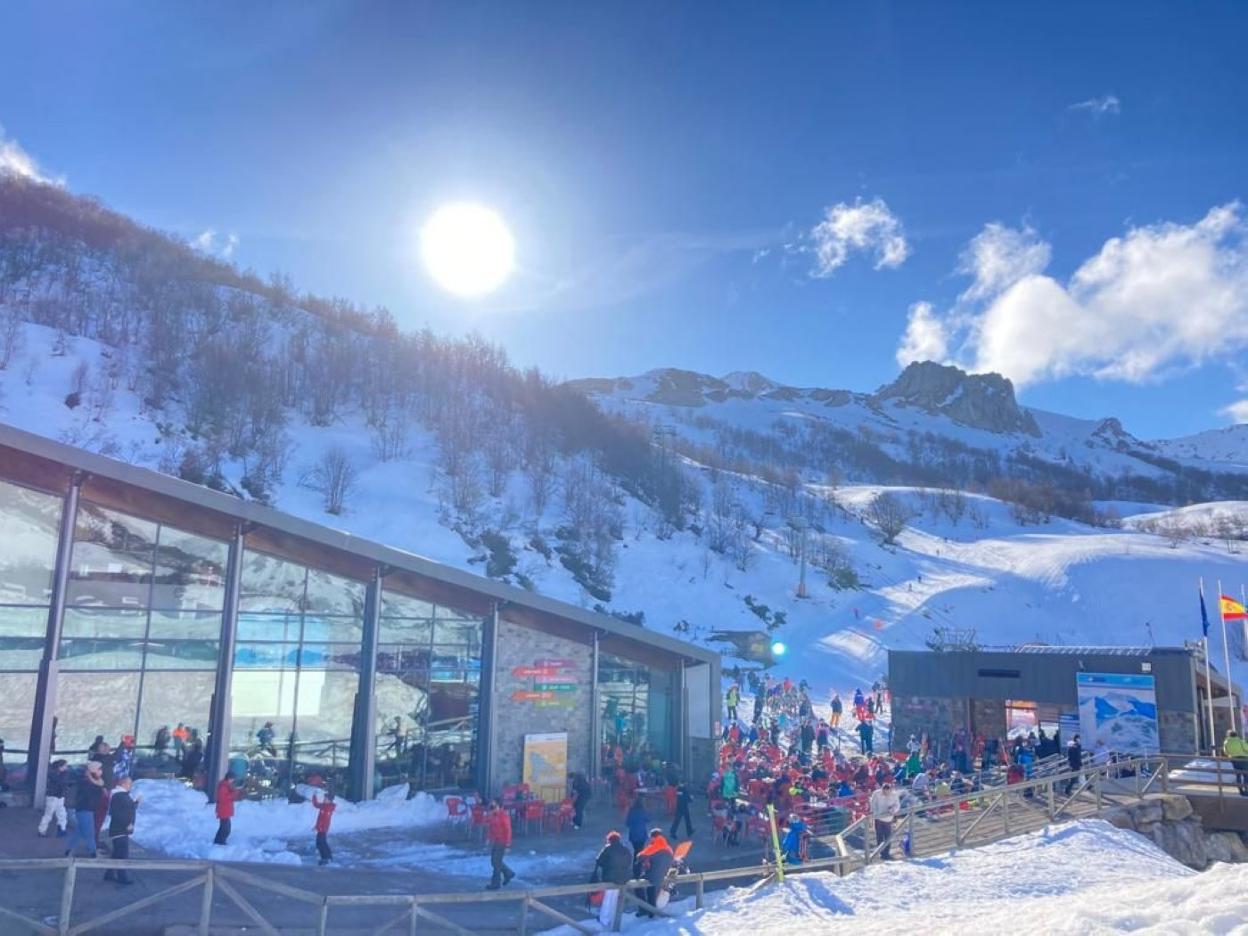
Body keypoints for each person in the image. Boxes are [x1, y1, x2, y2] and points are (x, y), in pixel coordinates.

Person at [589, 830, 632, 929]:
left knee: (608, 898)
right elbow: (629, 861)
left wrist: (607, 865)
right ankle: (613, 918)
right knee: (615, 898)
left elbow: (599, 861)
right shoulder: (625, 849)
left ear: (609, 840)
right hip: (623, 878)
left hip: (610, 878)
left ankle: (604, 919)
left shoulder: (608, 848)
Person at [65, 761, 105, 858]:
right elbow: (92, 793)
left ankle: (69, 850)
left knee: (79, 832)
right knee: (89, 833)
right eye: (99, 769)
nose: (101, 771)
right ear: (94, 771)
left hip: (86, 809)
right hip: (85, 809)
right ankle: (93, 853)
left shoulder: (92, 780)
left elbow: (100, 784)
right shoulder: (87, 782)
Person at [104, 776, 138, 885]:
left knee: (117, 853)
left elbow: (126, 809)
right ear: (124, 784)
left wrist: (135, 803)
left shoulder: (121, 796)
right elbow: (119, 813)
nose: (131, 786)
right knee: (122, 854)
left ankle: (109, 874)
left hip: (119, 829)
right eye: (129, 784)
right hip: (120, 829)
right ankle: (122, 877)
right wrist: (127, 824)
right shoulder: (120, 796)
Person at [634, 829, 674, 918]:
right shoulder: (668, 848)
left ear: (653, 837)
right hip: (663, 875)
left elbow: (640, 856)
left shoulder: (655, 845)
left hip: (652, 876)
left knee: (637, 886)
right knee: (651, 890)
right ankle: (651, 912)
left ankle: (643, 909)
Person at [485, 800, 515, 890]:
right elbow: (491, 827)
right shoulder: (493, 815)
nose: (492, 808)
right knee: (494, 861)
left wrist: (508, 845)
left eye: (494, 806)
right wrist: (489, 838)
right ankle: (508, 873)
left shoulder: (503, 816)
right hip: (497, 840)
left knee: (496, 862)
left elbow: (508, 831)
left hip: (502, 841)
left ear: (499, 806)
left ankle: (496, 883)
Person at [868, 779, 901, 860]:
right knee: (879, 836)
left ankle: (886, 853)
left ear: (890, 790)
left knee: (888, 837)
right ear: (882, 789)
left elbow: (897, 805)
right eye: (884, 791)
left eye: (887, 792)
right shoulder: (876, 793)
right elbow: (873, 804)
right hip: (878, 818)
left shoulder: (894, 795)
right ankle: (880, 852)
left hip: (888, 819)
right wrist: (875, 813)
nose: (885, 793)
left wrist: (893, 810)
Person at [38, 759, 70, 837]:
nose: (67, 767)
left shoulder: (57, 774)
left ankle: (61, 829)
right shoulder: (54, 774)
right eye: (65, 766)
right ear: (60, 767)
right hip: (53, 797)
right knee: (49, 814)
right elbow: (61, 782)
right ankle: (42, 830)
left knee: (62, 814)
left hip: (59, 796)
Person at [214, 775, 244, 846]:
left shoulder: (227, 786)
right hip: (223, 810)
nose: (233, 781)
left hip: (225, 810)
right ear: (229, 778)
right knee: (226, 828)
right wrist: (233, 793)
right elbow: (223, 798)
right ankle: (220, 842)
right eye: (232, 779)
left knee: (224, 827)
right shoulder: (224, 787)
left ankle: (218, 841)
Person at [312, 791, 336, 865]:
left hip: (323, 829)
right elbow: (316, 805)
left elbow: (324, 820)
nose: (324, 799)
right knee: (321, 843)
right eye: (324, 798)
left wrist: (318, 827)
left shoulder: (328, 808)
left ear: (329, 800)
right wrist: (314, 796)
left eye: (325, 798)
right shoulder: (324, 806)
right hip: (321, 828)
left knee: (320, 843)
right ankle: (327, 857)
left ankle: (326, 858)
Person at [1223, 729, 1248, 796]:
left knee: (1238, 775)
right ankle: (1246, 790)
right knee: (1246, 775)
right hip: (1243, 759)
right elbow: (1247, 748)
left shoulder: (1226, 742)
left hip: (1234, 759)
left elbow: (1226, 752)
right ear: (1236, 735)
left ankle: (1240, 790)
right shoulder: (1240, 741)